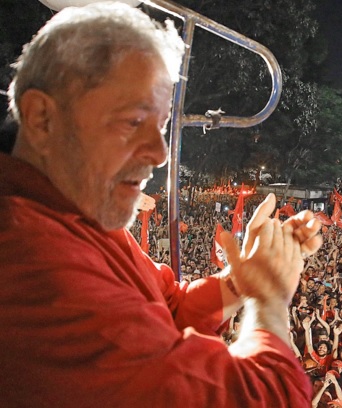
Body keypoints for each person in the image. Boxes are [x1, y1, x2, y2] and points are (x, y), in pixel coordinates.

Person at [0, 3, 322, 407]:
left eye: (163, 126)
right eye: (133, 122)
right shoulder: (29, 261)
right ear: (42, 118)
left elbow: (168, 307)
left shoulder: (79, 211)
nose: (160, 153)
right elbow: (258, 397)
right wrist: (270, 302)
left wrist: (244, 279)